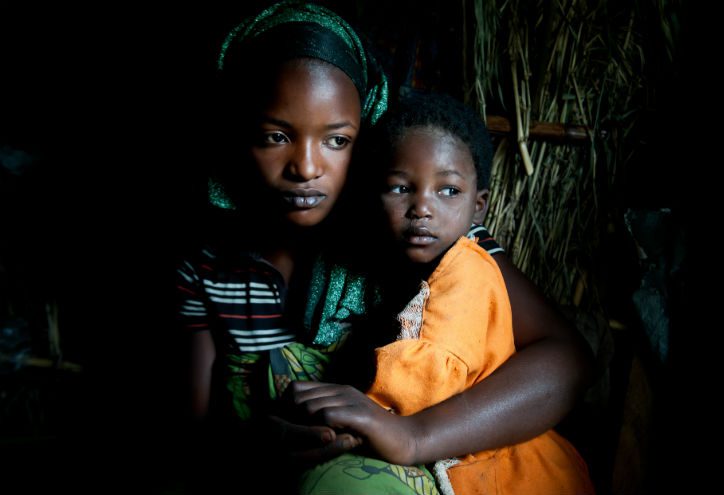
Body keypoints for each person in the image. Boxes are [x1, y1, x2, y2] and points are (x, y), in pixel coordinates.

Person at [175, 0, 594, 491]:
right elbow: (197, 431)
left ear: (366, 133)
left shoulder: (418, 235)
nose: (306, 167)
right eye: (274, 136)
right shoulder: (209, 266)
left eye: (336, 140)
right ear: (237, 134)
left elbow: (568, 362)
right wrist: (260, 442)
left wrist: (414, 435)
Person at [292, 93, 595, 494]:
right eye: (400, 188)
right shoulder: (360, 254)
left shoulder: (471, 256)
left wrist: (415, 435)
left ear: (478, 206)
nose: (422, 208)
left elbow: (571, 361)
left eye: (449, 191)